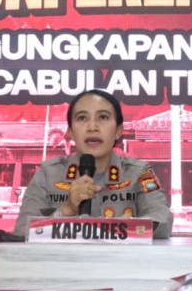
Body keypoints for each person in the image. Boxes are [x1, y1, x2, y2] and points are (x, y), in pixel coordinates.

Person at [13, 89, 174, 239]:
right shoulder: (48, 173)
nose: (92, 127)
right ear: (70, 132)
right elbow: (21, 232)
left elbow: (163, 222)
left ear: (118, 130)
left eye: (103, 117)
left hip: (120, 260)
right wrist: (66, 210)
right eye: (82, 118)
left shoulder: (139, 172)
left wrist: (121, 228)